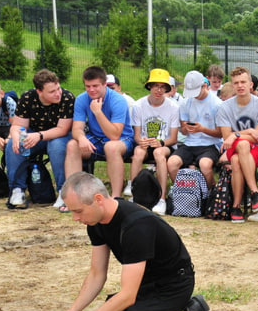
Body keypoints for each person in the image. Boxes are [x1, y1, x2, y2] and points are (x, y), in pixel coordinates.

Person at [41, 172, 220, 311]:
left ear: (98, 199)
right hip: (146, 287)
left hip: (172, 288)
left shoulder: (136, 225)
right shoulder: (95, 222)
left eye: (78, 211)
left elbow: (127, 296)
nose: (75, 218)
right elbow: (96, 274)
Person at [5, 69, 75, 209]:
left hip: (59, 136)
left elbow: (63, 129)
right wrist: (16, 135)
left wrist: (39, 135)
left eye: (58, 88)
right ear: (39, 91)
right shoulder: (27, 97)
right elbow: (18, 125)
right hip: (34, 135)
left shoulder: (67, 98)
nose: (57, 93)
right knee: (14, 143)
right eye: (52, 91)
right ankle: (17, 190)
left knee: (56, 146)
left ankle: (63, 191)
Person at [64, 66, 135, 203]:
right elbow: (76, 128)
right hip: (96, 139)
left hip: (122, 140)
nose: (91, 90)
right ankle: (73, 197)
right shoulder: (81, 99)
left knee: (111, 147)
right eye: (87, 86)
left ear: (104, 84)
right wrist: (81, 138)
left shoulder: (118, 100)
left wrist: (98, 112)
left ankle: (116, 197)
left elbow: (114, 135)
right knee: (73, 145)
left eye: (95, 86)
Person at [215, 66, 258, 223]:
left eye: (243, 82)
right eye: (236, 83)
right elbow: (226, 138)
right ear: (232, 86)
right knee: (242, 146)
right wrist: (246, 132)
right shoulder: (225, 107)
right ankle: (255, 193)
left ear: (250, 85)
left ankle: (236, 207)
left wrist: (237, 134)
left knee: (236, 159)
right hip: (234, 147)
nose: (240, 86)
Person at [129, 69, 181, 215]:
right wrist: (142, 141)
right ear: (149, 86)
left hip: (164, 145)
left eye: (163, 87)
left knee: (159, 154)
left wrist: (161, 143)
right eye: (155, 86)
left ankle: (162, 198)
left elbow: (173, 138)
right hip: (146, 144)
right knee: (138, 152)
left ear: (166, 89)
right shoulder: (139, 105)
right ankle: (135, 195)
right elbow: (137, 136)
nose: (159, 90)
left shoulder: (173, 107)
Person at [168, 70, 223, 189]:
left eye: (196, 92)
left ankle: (209, 193)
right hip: (189, 143)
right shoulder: (186, 102)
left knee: (205, 165)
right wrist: (185, 128)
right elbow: (183, 130)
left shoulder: (217, 104)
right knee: (172, 163)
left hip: (211, 144)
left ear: (204, 86)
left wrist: (202, 129)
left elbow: (220, 134)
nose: (194, 95)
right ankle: (182, 192)